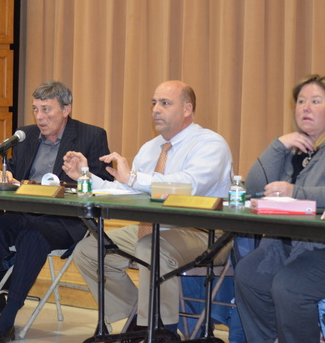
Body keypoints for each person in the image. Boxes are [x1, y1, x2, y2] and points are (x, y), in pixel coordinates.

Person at [0, 81, 112, 343]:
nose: (40, 117)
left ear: (66, 109)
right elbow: (14, 171)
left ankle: (7, 321)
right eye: (35, 109)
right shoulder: (25, 135)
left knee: (34, 237)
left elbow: (103, 187)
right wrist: (5, 175)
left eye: (46, 110)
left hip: (66, 219)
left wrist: (82, 174)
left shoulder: (91, 136)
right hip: (24, 212)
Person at [63, 80, 232, 333]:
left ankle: (162, 330)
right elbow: (129, 190)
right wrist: (86, 178)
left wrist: (133, 178)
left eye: (165, 103)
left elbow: (188, 186)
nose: (155, 109)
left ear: (187, 109)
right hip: (155, 228)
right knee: (89, 249)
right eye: (154, 103)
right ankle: (140, 320)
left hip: (205, 233)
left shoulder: (210, 144)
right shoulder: (151, 148)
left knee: (150, 248)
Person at [234, 74, 325, 343]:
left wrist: (295, 192)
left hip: (319, 248)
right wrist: (279, 145)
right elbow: (253, 186)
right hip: (284, 244)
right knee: (248, 275)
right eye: (300, 101)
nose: (305, 107)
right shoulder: (294, 149)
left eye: (316, 101)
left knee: (289, 286)